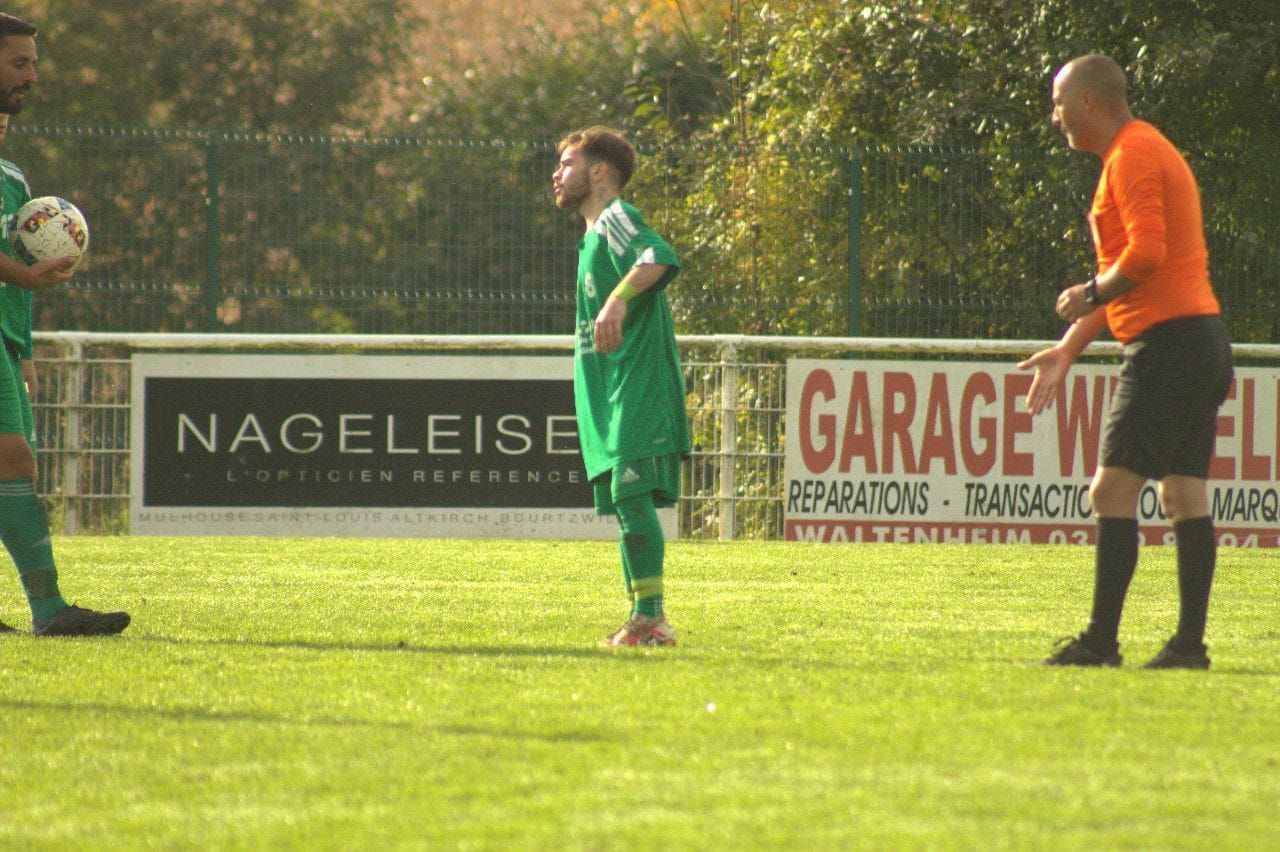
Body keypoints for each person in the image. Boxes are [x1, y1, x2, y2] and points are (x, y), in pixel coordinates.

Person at [1020, 55, 1232, 669]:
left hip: (1169, 347)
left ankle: (1100, 642)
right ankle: (1188, 647)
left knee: (1111, 491)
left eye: (1058, 101)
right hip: (1199, 343)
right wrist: (1068, 348)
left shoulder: (1133, 154)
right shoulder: (1135, 151)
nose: (1053, 114)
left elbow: (1143, 257)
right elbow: (1135, 278)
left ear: (1089, 101)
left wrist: (1087, 293)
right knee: (1184, 497)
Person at [0, 13, 130, 636]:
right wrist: (22, 277)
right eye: (19, 62)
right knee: (12, 460)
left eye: (34, 62)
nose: (32, 75)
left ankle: (49, 608)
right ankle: (49, 609)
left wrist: (19, 346)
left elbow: (14, 268)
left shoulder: (14, 181)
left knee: (10, 463)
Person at [553, 126, 690, 647]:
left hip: (636, 381)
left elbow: (657, 256)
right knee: (623, 500)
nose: (556, 175)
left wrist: (617, 300)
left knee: (631, 497)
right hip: (610, 387)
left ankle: (653, 619)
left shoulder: (616, 218)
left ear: (599, 171)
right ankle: (640, 615)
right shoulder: (592, 237)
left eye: (567, 163)